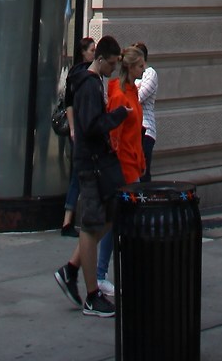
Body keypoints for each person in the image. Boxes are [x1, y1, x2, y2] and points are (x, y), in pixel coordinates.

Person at [54, 36, 126, 317]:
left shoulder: (92, 83)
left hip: (97, 161)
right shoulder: (89, 85)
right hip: (91, 162)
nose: (113, 68)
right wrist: (118, 115)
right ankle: (92, 295)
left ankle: (71, 269)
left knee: (108, 216)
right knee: (92, 223)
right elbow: (91, 124)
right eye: (111, 63)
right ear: (100, 59)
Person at [95, 47, 147, 296]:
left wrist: (141, 160)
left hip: (133, 164)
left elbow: (135, 131)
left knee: (119, 222)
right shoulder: (119, 95)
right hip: (123, 169)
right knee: (120, 221)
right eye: (140, 66)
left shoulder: (132, 92)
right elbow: (113, 137)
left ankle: (106, 271)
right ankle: (102, 272)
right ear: (130, 67)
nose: (144, 70)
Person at [58, 36, 95, 236]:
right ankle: (68, 221)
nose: (94, 53)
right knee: (79, 175)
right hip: (82, 132)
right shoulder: (84, 73)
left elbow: (69, 102)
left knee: (78, 174)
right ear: (83, 52)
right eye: (91, 50)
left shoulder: (79, 72)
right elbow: (70, 103)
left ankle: (69, 220)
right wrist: (73, 129)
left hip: (80, 130)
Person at [133, 43, 158, 180]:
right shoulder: (132, 76)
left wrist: (133, 89)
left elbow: (138, 97)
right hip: (132, 128)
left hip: (146, 127)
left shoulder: (150, 73)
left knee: (143, 171)